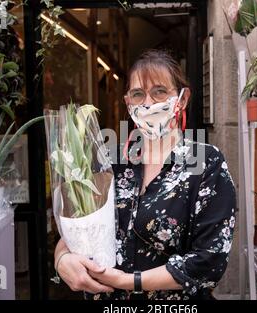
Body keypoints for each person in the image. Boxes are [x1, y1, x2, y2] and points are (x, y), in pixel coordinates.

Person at [53, 49, 236, 300]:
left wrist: (127, 281)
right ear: (128, 103)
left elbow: (209, 261)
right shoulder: (109, 161)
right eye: (138, 94)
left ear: (182, 100)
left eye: (160, 91)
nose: (148, 103)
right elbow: (76, 229)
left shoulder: (205, 163)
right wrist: (61, 258)